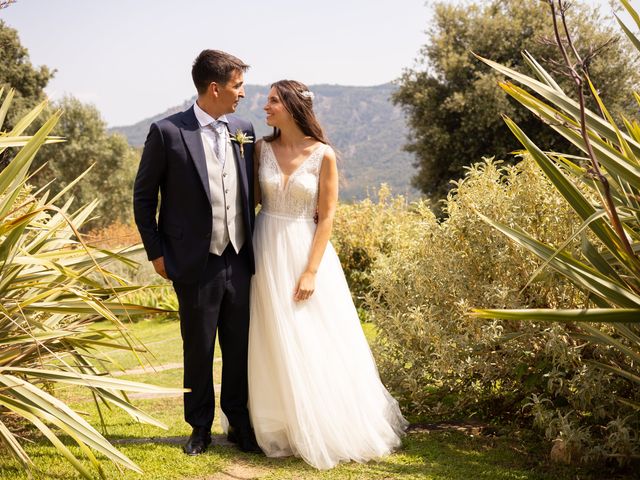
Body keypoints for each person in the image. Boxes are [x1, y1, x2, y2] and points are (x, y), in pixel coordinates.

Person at [248, 80, 407, 470]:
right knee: (271, 335)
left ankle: (325, 423)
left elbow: (328, 217)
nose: (264, 106)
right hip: (265, 247)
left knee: (311, 335)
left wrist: (311, 271)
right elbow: (247, 200)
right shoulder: (259, 150)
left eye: (272, 100)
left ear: (290, 106)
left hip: (305, 250)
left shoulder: (324, 155)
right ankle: (280, 427)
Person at [133, 49, 261, 456]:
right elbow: (143, 198)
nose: (242, 94)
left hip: (239, 258)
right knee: (198, 347)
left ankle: (239, 424)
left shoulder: (244, 129)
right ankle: (200, 427)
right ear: (214, 88)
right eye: (238, 86)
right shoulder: (168, 132)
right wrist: (156, 253)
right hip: (193, 262)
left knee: (239, 346)